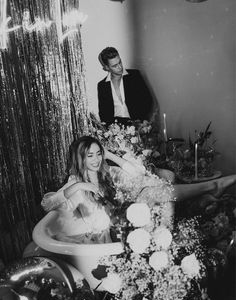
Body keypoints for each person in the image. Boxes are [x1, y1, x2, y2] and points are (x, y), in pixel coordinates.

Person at [41, 136, 236, 244]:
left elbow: (137, 172)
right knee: (156, 191)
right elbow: (48, 204)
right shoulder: (75, 181)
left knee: (159, 189)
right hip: (112, 231)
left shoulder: (106, 172)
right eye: (89, 155)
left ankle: (165, 238)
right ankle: (210, 188)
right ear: (80, 158)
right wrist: (80, 186)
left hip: (128, 218)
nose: (96, 159)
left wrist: (110, 155)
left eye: (98, 154)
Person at [97, 47, 154, 126]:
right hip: (116, 130)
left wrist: (144, 120)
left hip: (138, 126)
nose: (120, 67)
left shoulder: (135, 75)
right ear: (106, 68)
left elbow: (148, 100)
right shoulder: (102, 86)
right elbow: (103, 114)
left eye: (120, 62)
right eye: (114, 66)